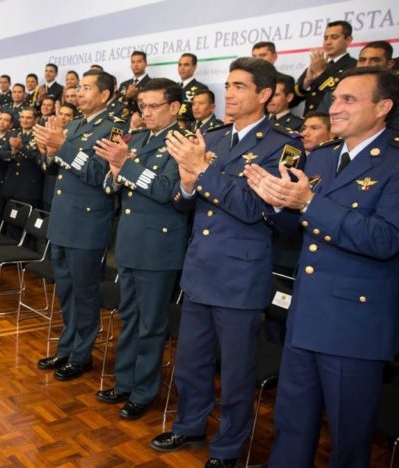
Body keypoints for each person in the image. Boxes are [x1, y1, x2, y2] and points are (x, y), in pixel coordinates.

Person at [150, 57, 304, 468]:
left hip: (241, 274)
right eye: (228, 85)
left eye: (239, 86)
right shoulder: (213, 137)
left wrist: (201, 171)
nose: (229, 93)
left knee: (236, 374)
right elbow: (185, 202)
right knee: (190, 362)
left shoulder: (283, 146)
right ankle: (189, 425)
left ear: (266, 95)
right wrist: (186, 182)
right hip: (201, 267)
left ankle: (228, 448)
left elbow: (255, 208)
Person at [245, 66, 399, 468]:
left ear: (383, 107)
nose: (335, 106)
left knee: (349, 438)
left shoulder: (395, 163)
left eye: (349, 99)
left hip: (354, 324)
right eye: (335, 98)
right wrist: (277, 202)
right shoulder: (325, 157)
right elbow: (294, 230)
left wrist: (308, 204)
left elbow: (386, 240)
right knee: (292, 423)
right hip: (308, 313)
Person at [94, 78, 189, 420]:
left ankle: (144, 389)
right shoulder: (139, 139)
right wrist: (116, 169)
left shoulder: (182, 142)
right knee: (129, 316)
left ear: (175, 108)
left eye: (153, 106)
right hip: (133, 241)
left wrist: (127, 165)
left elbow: (167, 190)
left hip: (158, 246)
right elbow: (113, 185)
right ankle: (125, 380)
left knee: (151, 323)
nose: (145, 112)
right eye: (142, 106)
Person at [33, 69, 116, 381]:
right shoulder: (78, 124)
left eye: (87, 88)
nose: (79, 93)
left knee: (84, 291)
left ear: (105, 95)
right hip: (64, 220)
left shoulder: (117, 129)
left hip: (88, 223)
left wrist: (62, 146)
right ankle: (67, 347)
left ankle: (81, 355)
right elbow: (62, 168)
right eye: (78, 88)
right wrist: (53, 149)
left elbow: (102, 176)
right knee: (66, 289)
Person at [294, 20, 356, 113]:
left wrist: (320, 74)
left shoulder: (354, 66)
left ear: (348, 40)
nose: (328, 42)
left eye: (334, 37)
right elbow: (293, 99)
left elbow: (340, 97)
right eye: (325, 38)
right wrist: (307, 82)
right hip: (309, 120)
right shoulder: (318, 64)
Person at [177, 53, 209, 123]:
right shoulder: (173, 87)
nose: (182, 68)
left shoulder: (201, 88)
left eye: (186, 65)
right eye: (180, 65)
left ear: (194, 67)